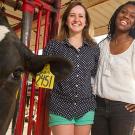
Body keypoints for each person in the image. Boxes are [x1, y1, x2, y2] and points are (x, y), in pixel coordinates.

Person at [43, 1, 100, 135]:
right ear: (66, 20)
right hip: (59, 106)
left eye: (81, 16)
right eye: (72, 15)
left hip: (86, 107)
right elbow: (43, 75)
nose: (76, 19)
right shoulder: (54, 45)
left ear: (86, 22)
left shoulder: (94, 48)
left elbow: (94, 74)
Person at [91, 1, 135, 135]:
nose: (126, 16)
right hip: (98, 105)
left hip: (123, 109)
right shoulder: (102, 44)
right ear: (116, 15)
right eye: (123, 12)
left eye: (133, 16)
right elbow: (93, 73)